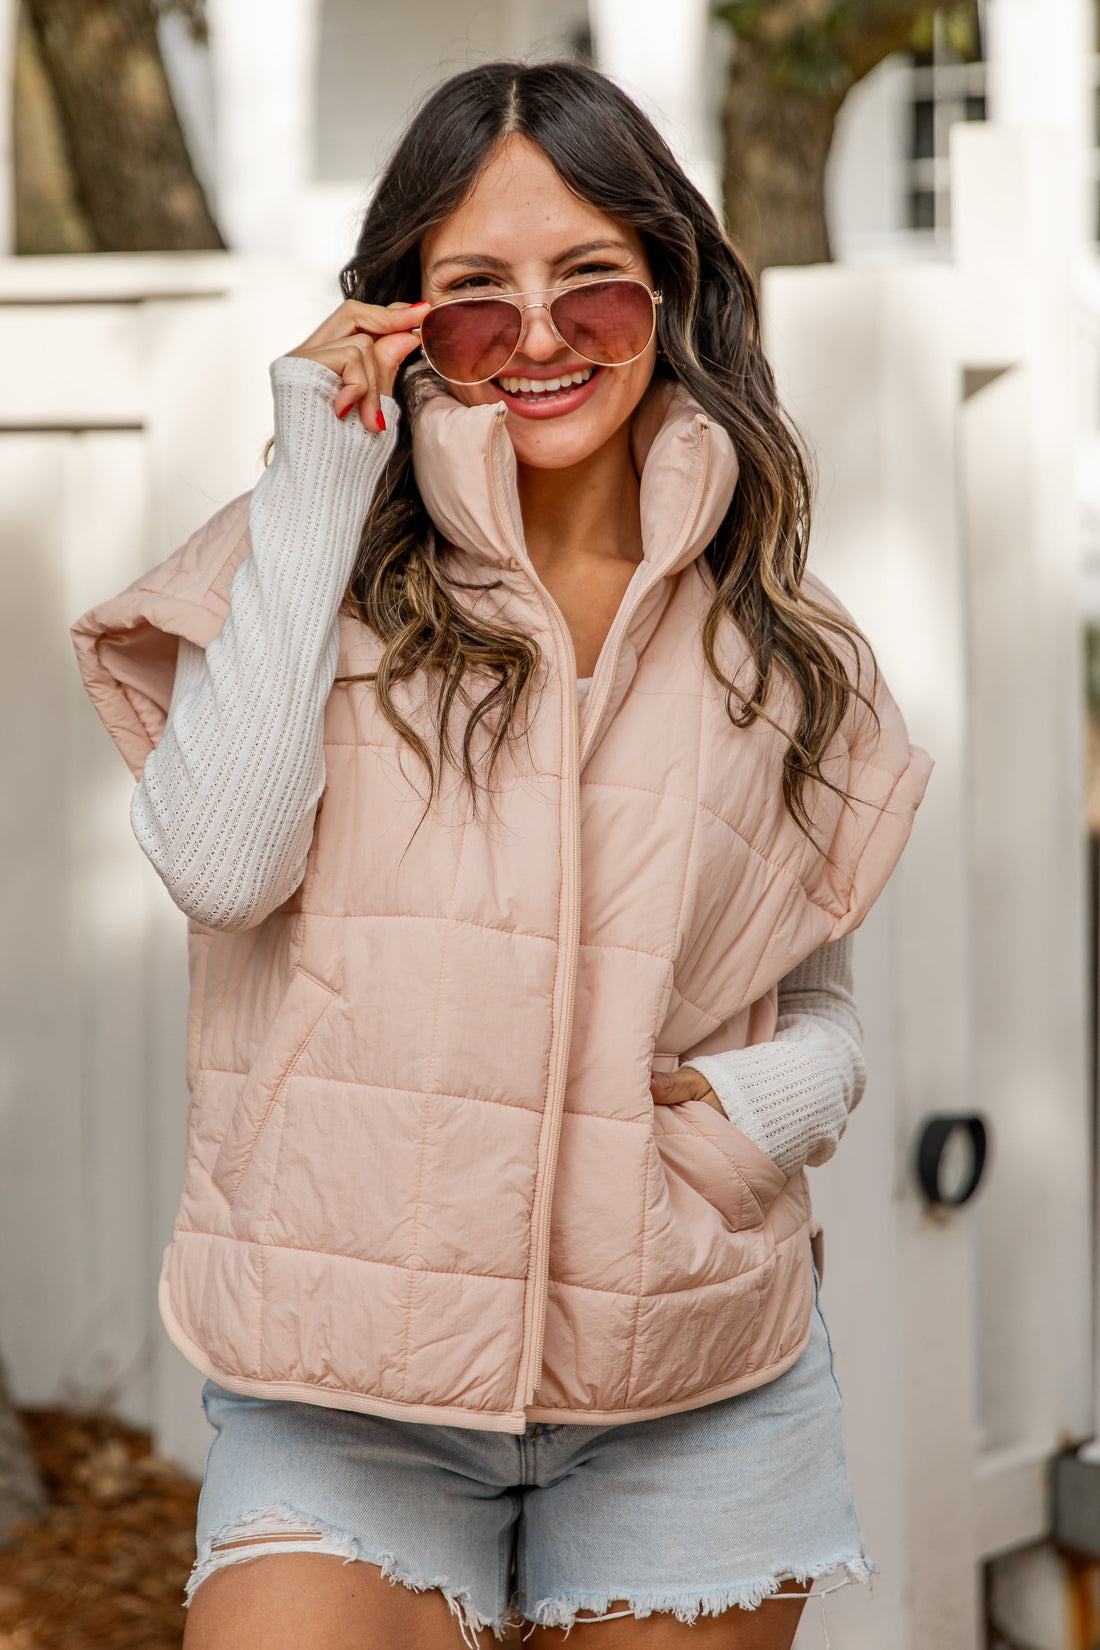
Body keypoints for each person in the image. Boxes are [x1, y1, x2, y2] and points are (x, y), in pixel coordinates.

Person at [72, 58, 932, 1650]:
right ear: (405, 322)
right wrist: (317, 468)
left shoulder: (785, 654)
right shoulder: (302, 565)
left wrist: (762, 1110)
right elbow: (218, 866)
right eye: (476, 299)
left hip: (689, 1374)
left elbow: (812, 994)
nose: (538, 340)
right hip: (343, 1380)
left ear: (669, 293)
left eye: (590, 288)